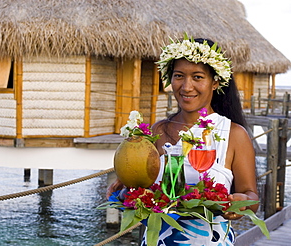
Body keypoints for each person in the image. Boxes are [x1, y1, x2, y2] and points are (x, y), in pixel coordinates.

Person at [107, 35, 258, 245]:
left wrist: (243, 202)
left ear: (215, 82)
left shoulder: (233, 134)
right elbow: (143, 183)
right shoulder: (158, 130)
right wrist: (127, 189)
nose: (186, 87)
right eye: (179, 76)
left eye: (197, 77)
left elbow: (252, 196)